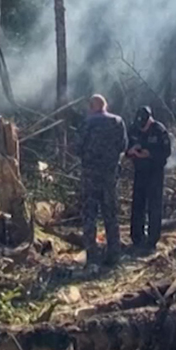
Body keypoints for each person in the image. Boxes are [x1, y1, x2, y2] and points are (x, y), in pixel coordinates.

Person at [75, 94, 128, 265]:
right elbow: (123, 146)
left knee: (90, 214)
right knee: (110, 213)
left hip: (90, 176)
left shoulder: (87, 123)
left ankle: (92, 255)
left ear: (92, 106)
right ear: (105, 106)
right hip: (109, 175)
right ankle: (114, 253)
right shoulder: (117, 122)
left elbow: (77, 148)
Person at [126, 106, 172, 250]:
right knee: (137, 204)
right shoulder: (133, 130)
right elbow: (124, 146)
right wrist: (131, 151)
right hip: (139, 172)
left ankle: (152, 239)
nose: (142, 128)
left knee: (154, 206)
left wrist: (150, 153)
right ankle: (136, 237)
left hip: (155, 173)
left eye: (144, 125)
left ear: (150, 119)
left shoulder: (159, 130)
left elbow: (166, 151)